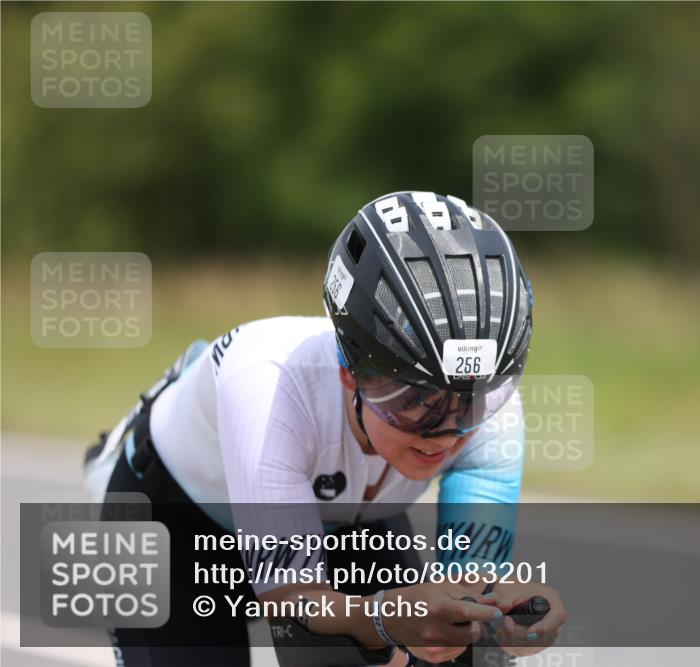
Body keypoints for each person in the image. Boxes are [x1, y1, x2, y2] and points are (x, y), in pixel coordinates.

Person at [83, 191, 566, 667]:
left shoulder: (496, 407)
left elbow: (468, 595)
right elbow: (293, 605)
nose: (445, 432)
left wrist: (503, 614)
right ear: (349, 371)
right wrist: (382, 620)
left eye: (471, 402)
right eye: (414, 400)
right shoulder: (269, 384)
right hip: (176, 527)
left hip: (344, 525)